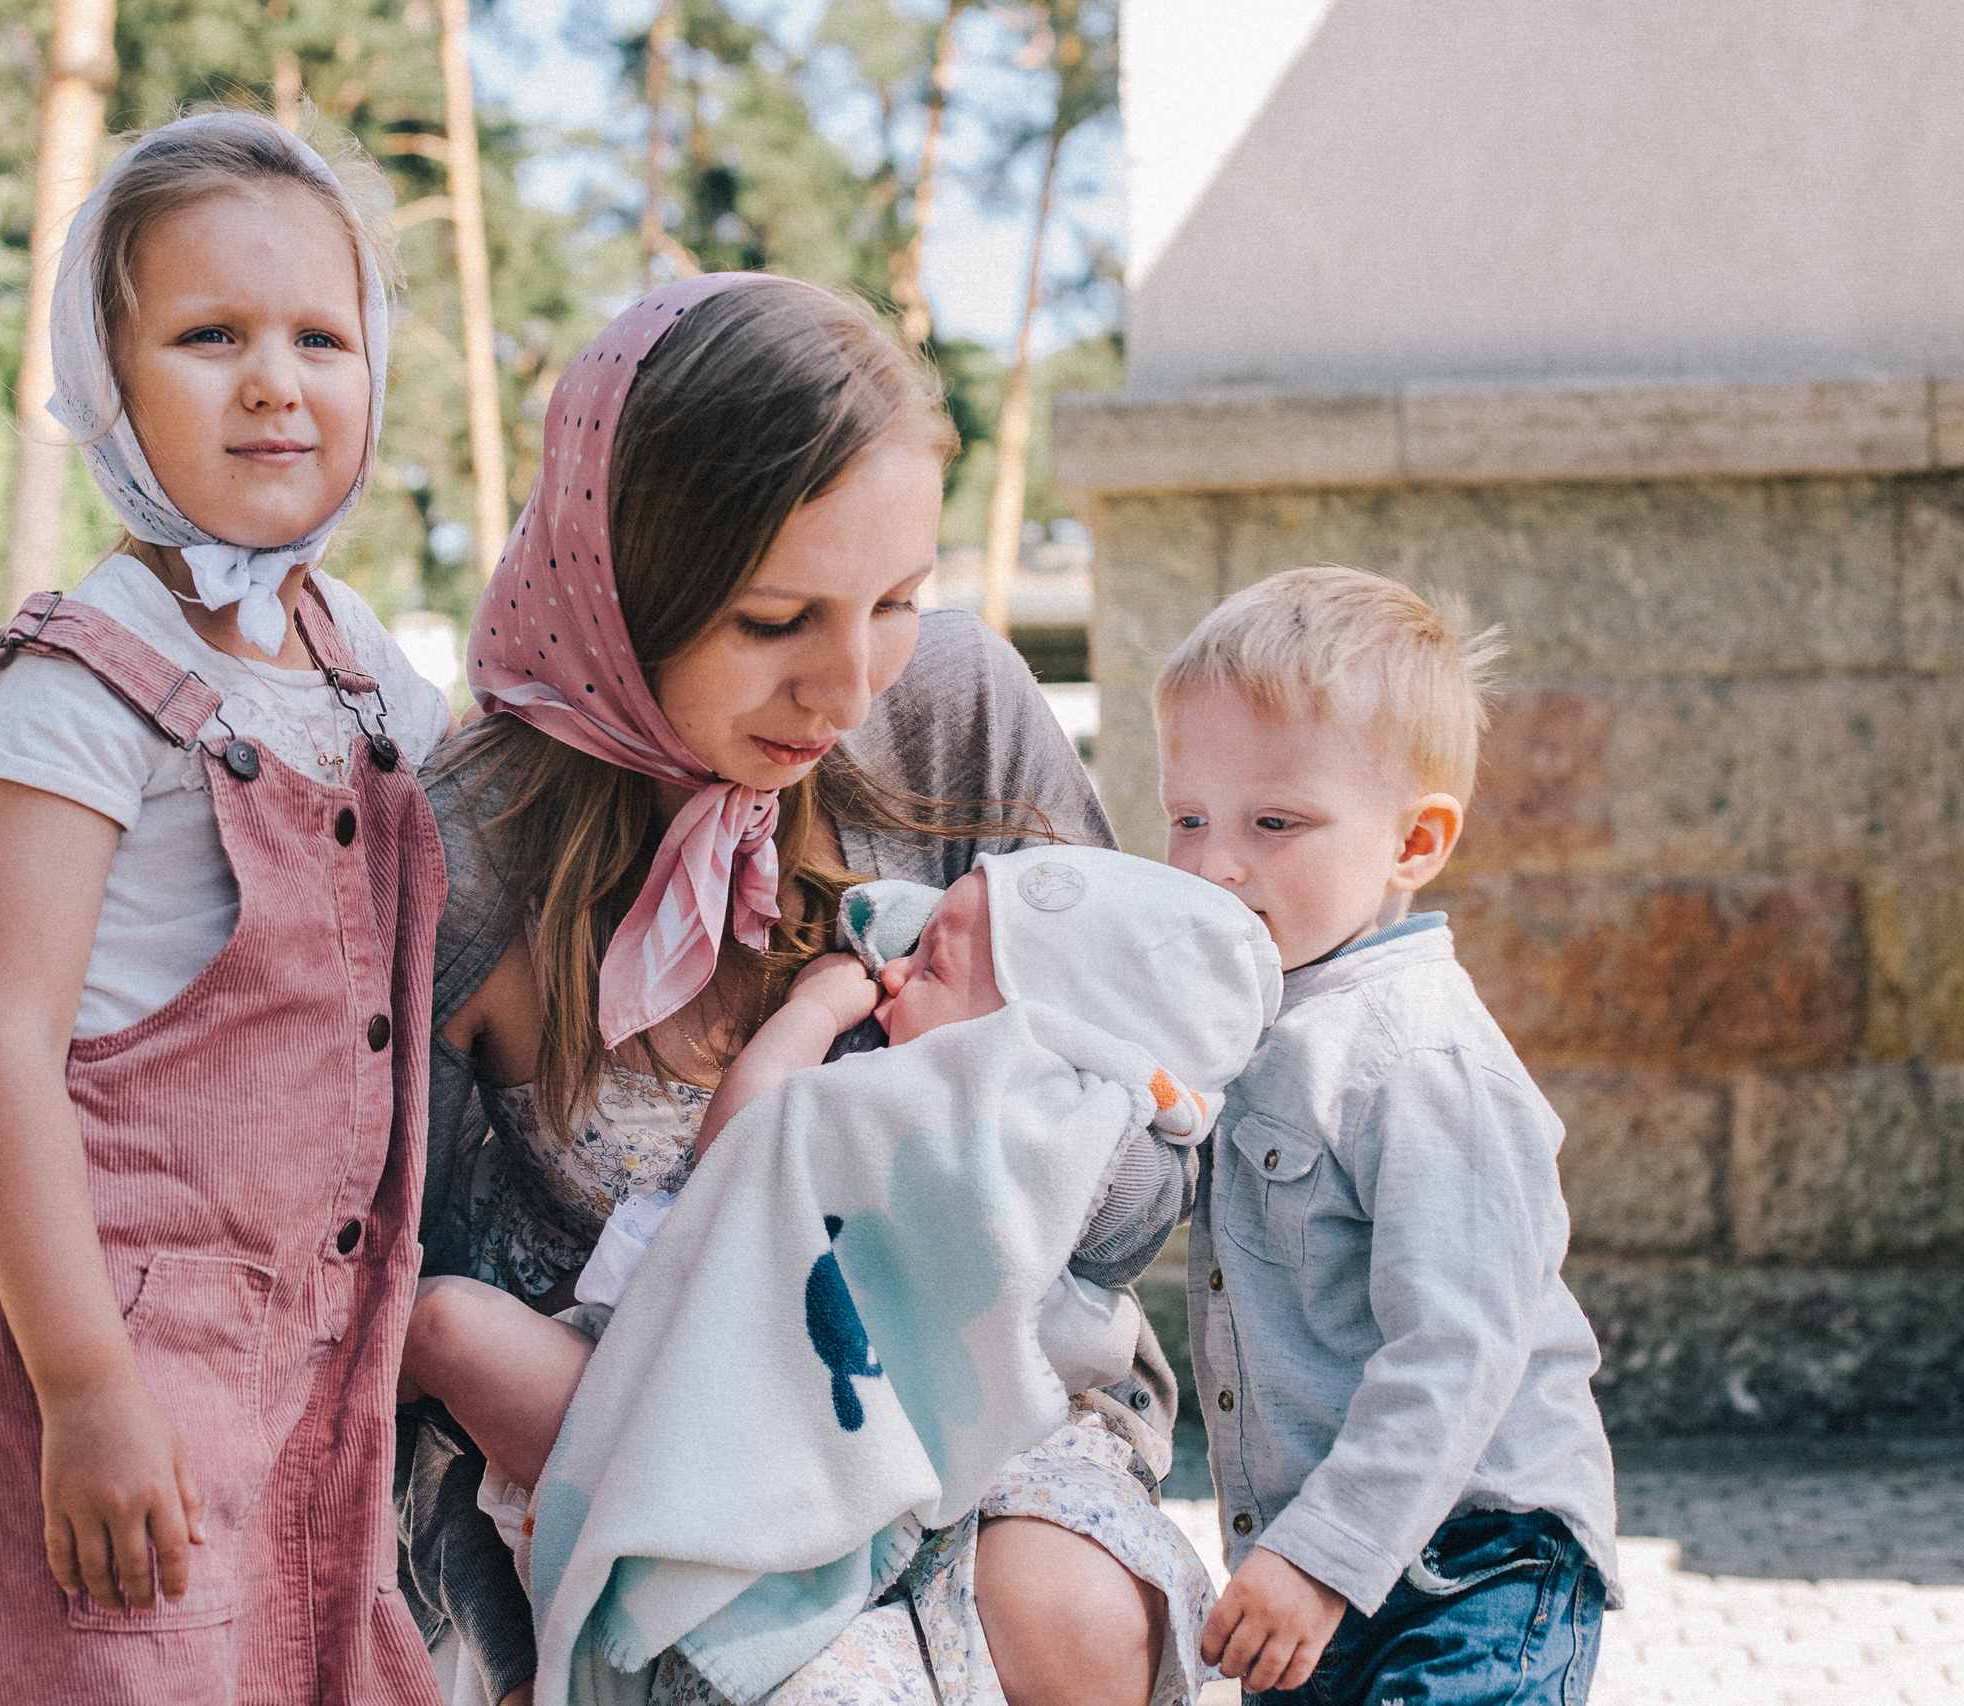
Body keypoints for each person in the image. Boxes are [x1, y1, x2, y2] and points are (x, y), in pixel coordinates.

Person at [398, 271, 1204, 1706]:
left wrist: (1006, 1079)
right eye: (774, 618)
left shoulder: (951, 708)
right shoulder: (463, 857)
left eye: (896, 599)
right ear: (620, 582)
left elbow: (1149, 1193)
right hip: (660, 1442)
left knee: (1074, 1615)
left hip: (977, 1386)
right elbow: (405, 1326)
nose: (846, 688)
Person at [0, 109, 452, 1705]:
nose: (276, 378)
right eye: (210, 335)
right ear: (106, 382)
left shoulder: (356, 658)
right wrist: (81, 1384)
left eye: (319, 336)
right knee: (132, 1668)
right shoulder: (82, 682)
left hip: (311, 1339)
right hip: (105, 1325)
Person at [400, 846, 1279, 1695]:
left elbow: (1125, 1193)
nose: (888, 975)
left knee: (1070, 1621)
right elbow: (743, 1157)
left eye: (930, 965)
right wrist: (820, 1017)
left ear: (1047, 1021)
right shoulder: (867, 1079)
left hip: (863, 1430)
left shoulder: (1067, 1147)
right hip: (685, 1375)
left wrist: (826, 1017)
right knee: (443, 1324)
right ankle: (330, 1382)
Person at [1157, 565, 1620, 1705]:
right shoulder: (1252, 1018)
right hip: (1326, 1558)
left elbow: (1456, 1344)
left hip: (1474, 1562)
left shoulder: (1418, 1054)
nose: (1218, 861)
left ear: (1414, 841)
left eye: (1274, 822)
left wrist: (1319, 1556)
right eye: (1187, 816)